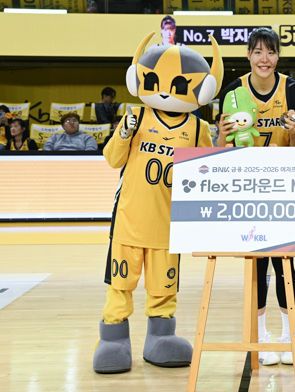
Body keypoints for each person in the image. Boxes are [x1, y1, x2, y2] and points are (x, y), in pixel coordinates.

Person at [93, 33, 222, 374]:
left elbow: (207, 173)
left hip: (169, 225)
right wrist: (123, 134)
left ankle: (160, 337)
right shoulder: (136, 115)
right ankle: (113, 339)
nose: (165, 92)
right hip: (130, 220)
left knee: (163, 288)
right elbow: (112, 159)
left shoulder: (198, 127)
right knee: (120, 285)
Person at [217, 27, 295, 366]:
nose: (264, 59)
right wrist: (220, 136)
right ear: (249, 56)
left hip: (283, 187)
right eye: (257, 52)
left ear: (278, 55)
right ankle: (262, 336)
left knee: (286, 263)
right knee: (255, 264)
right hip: (247, 188)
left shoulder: (293, 90)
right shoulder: (233, 90)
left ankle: (287, 333)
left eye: (270, 52)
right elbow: (222, 149)